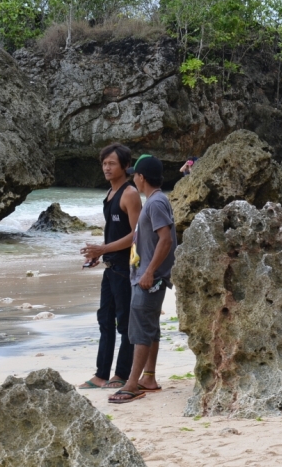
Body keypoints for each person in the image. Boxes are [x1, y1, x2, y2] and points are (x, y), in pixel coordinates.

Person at [109, 154, 177, 404]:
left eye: (135, 175)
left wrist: (149, 272)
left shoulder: (156, 202)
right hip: (146, 275)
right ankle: (148, 377)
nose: (133, 179)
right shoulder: (155, 201)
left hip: (149, 278)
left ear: (141, 177)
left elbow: (166, 239)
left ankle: (131, 384)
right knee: (150, 329)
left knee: (139, 331)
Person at [78, 143, 142, 390]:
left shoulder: (130, 194)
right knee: (105, 321)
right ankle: (101, 374)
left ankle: (122, 374)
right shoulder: (110, 194)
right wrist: (99, 253)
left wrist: (103, 249)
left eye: (112, 163)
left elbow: (137, 234)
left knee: (124, 324)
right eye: (104, 163)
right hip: (110, 267)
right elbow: (117, 232)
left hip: (126, 269)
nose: (106, 167)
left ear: (125, 166)